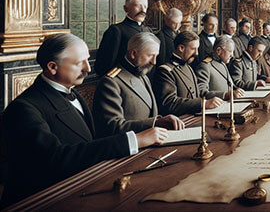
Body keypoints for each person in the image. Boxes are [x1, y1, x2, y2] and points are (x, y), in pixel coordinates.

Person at [0, 34, 168, 205]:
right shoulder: (23, 108)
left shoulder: (74, 94)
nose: (88, 68)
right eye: (79, 63)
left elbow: (88, 142)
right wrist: (134, 140)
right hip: (41, 202)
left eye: (87, 60)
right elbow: (56, 160)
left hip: (80, 187)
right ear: (52, 67)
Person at [94, 32, 184, 137]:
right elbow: (113, 127)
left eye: (156, 56)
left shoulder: (143, 75)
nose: (154, 62)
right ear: (133, 54)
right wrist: (155, 123)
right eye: (150, 55)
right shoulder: (111, 82)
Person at [153, 31, 224, 115]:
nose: (196, 53)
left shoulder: (189, 68)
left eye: (197, 49)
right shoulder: (166, 71)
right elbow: (169, 103)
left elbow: (198, 95)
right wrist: (203, 103)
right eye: (193, 49)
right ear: (181, 48)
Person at [95, 0, 152, 76]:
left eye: (145, 7)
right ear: (126, 8)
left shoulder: (148, 31)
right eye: (137, 6)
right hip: (122, 82)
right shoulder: (116, 30)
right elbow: (105, 65)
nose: (143, 10)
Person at [193, 35, 244, 99]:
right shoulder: (205, 66)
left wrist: (237, 90)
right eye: (230, 51)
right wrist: (225, 95)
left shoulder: (223, 63)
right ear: (218, 50)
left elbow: (230, 86)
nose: (232, 55)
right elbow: (201, 92)